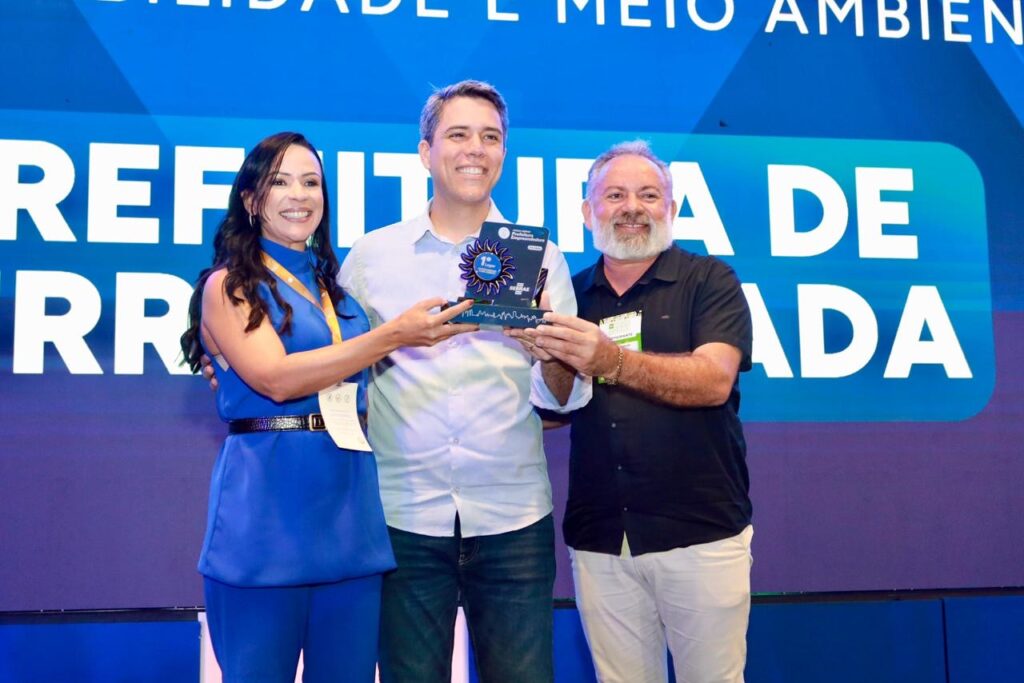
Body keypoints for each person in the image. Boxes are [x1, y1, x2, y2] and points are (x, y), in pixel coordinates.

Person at [180, 131, 475, 683]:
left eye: (311, 182)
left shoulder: (335, 289)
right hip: (265, 517)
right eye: (280, 182)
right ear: (250, 199)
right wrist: (391, 336)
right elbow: (275, 380)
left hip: (349, 516)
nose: (300, 195)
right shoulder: (229, 285)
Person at [338, 80, 589, 683]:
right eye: (457, 134)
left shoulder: (542, 257)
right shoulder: (373, 257)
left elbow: (564, 394)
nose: (475, 148)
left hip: (512, 518)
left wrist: (546, 352)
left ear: (504, 153)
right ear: (426, 152)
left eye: (490, 137)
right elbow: (336, 372)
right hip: (404, 517)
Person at [521, 140, 754, 683]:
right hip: (602, 539)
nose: (633, 207)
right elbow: (554, 411)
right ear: (587, 212)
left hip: (700, 532)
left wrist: (612, 360)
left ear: (669, 208)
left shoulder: (710, 281)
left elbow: (714, 381)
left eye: (649, 195)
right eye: (615, 195)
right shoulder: (568, 297)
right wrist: (546, 355)